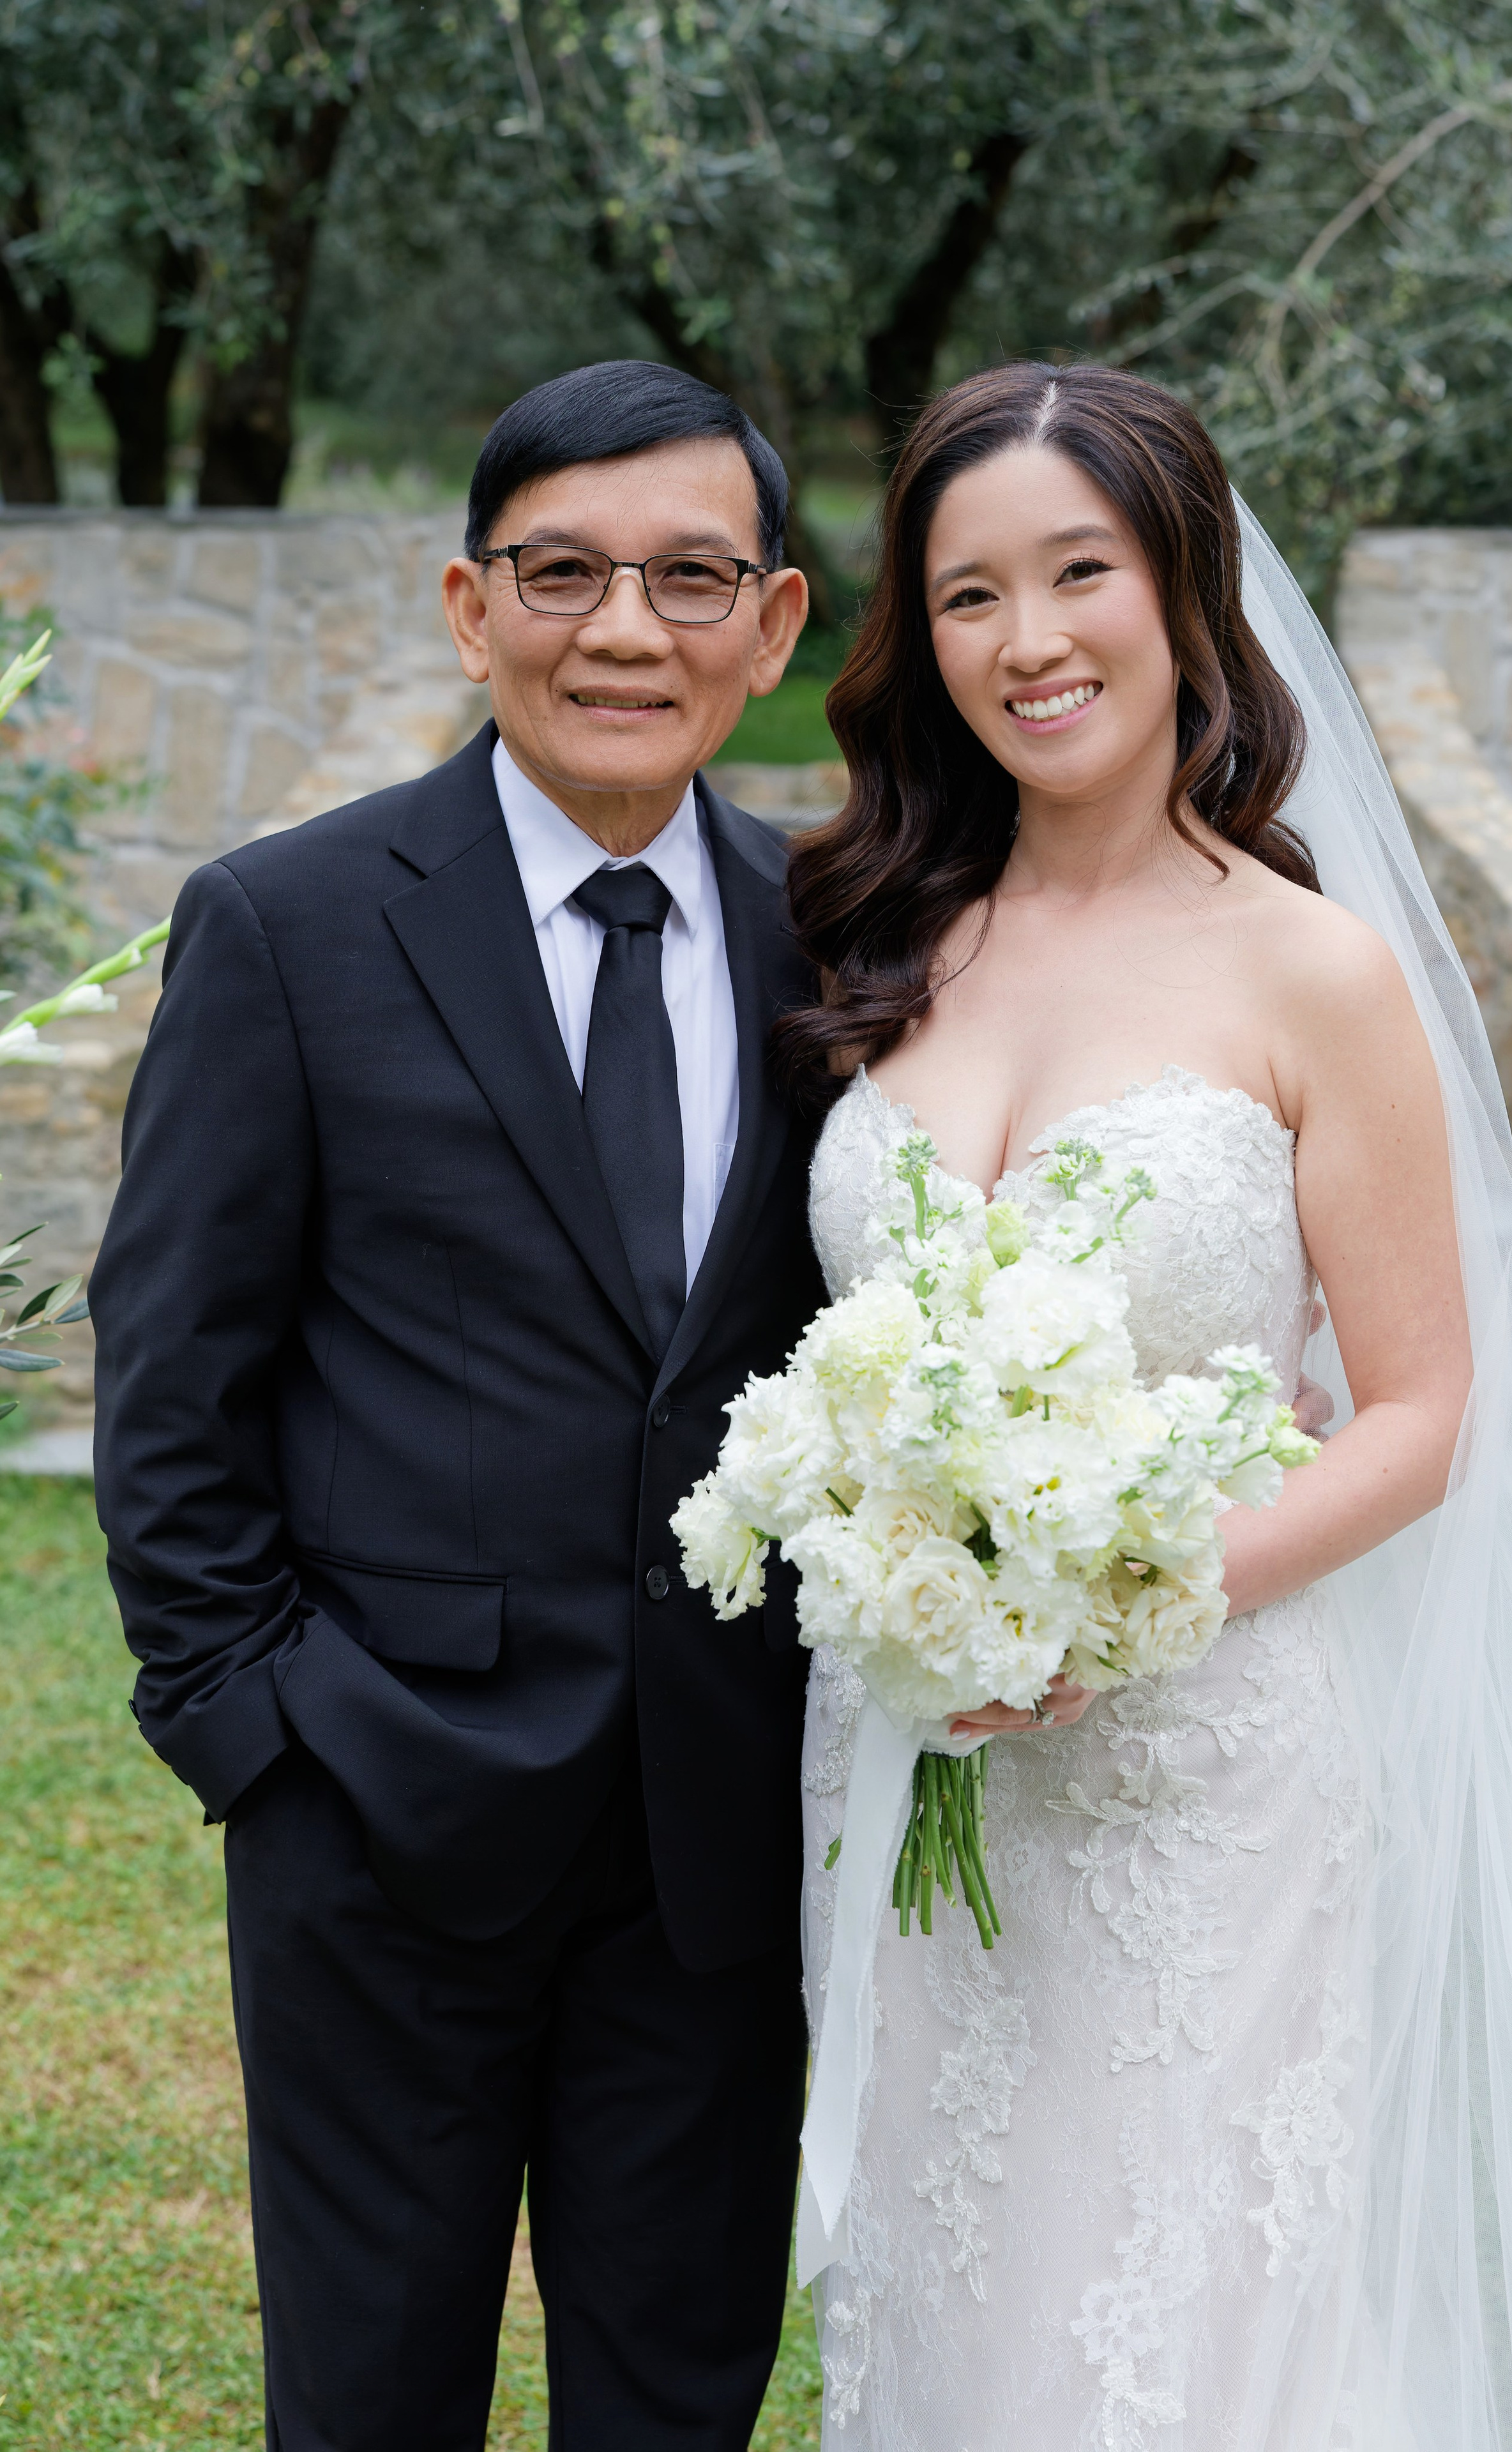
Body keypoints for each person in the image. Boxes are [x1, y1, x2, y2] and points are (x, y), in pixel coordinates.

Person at [783, 362, 1512, 2448]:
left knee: (1174, 2343)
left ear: (1185, 594)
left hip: (1207, 1779)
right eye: (968, 593)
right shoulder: (888, 932)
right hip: (909, 1770)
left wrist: (1120, 1612)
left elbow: (1421, 1413)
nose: (1029, 641)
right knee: (951, 2291)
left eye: (1080, 572)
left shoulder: (1310, 971)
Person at [89, 359, 824, 2452]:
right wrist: (258, 1735)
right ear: (466, 602)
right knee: (371, 2399)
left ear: (770, 625)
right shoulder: (289, 924)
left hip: (716, 1837)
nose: (624, 629)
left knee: (679, 2397)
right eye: (563, 571)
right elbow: (174, 1379)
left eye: (690, 577)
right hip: (377, 1818)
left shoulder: (844, 941)